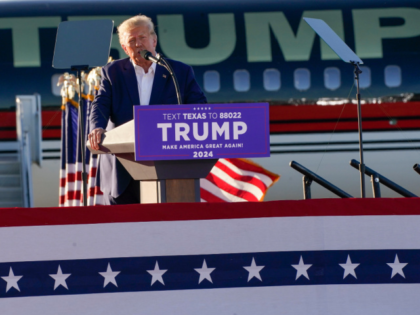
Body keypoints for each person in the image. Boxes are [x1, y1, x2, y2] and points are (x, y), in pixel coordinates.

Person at [88, 15, 207, 205]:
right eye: (131, 41)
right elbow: (101, 103)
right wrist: (97, 128)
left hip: (167, 168)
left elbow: (199, 107)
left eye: (142, 38)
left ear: (154, 40)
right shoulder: (113, 72)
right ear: (125, 48)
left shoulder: (178, 71)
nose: (138, 44)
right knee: (125, 228)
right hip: (122, 169)